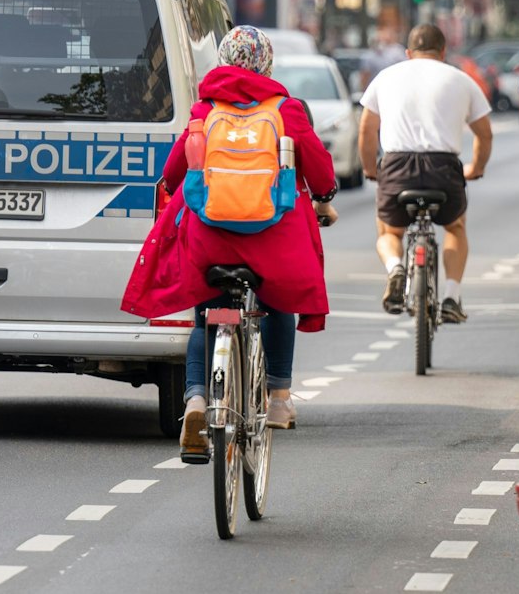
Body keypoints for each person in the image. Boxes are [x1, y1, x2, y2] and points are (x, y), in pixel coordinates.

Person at [121, 26, 340, 459]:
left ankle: (198, 400)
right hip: (269, 237)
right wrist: (326, 195)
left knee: (209, 310)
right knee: (277, 299)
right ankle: (278, 398)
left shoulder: (206, 109)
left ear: (222, 61)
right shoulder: (285, 109)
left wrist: (171, 182)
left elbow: (174, 168)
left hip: (213, 235)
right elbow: (317, 166)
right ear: (266, 64)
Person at [360, 23, 493, 325]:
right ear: (443, 52)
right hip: (444, 169)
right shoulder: (462, 80)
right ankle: (451, 296)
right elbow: (485, 135)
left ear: (408, 53)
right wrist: (477, 168)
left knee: (389, 232)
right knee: (456, 227)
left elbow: (367, 129)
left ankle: (395, 268)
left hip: (396, 166)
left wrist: (371, 169)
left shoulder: (386, 77)